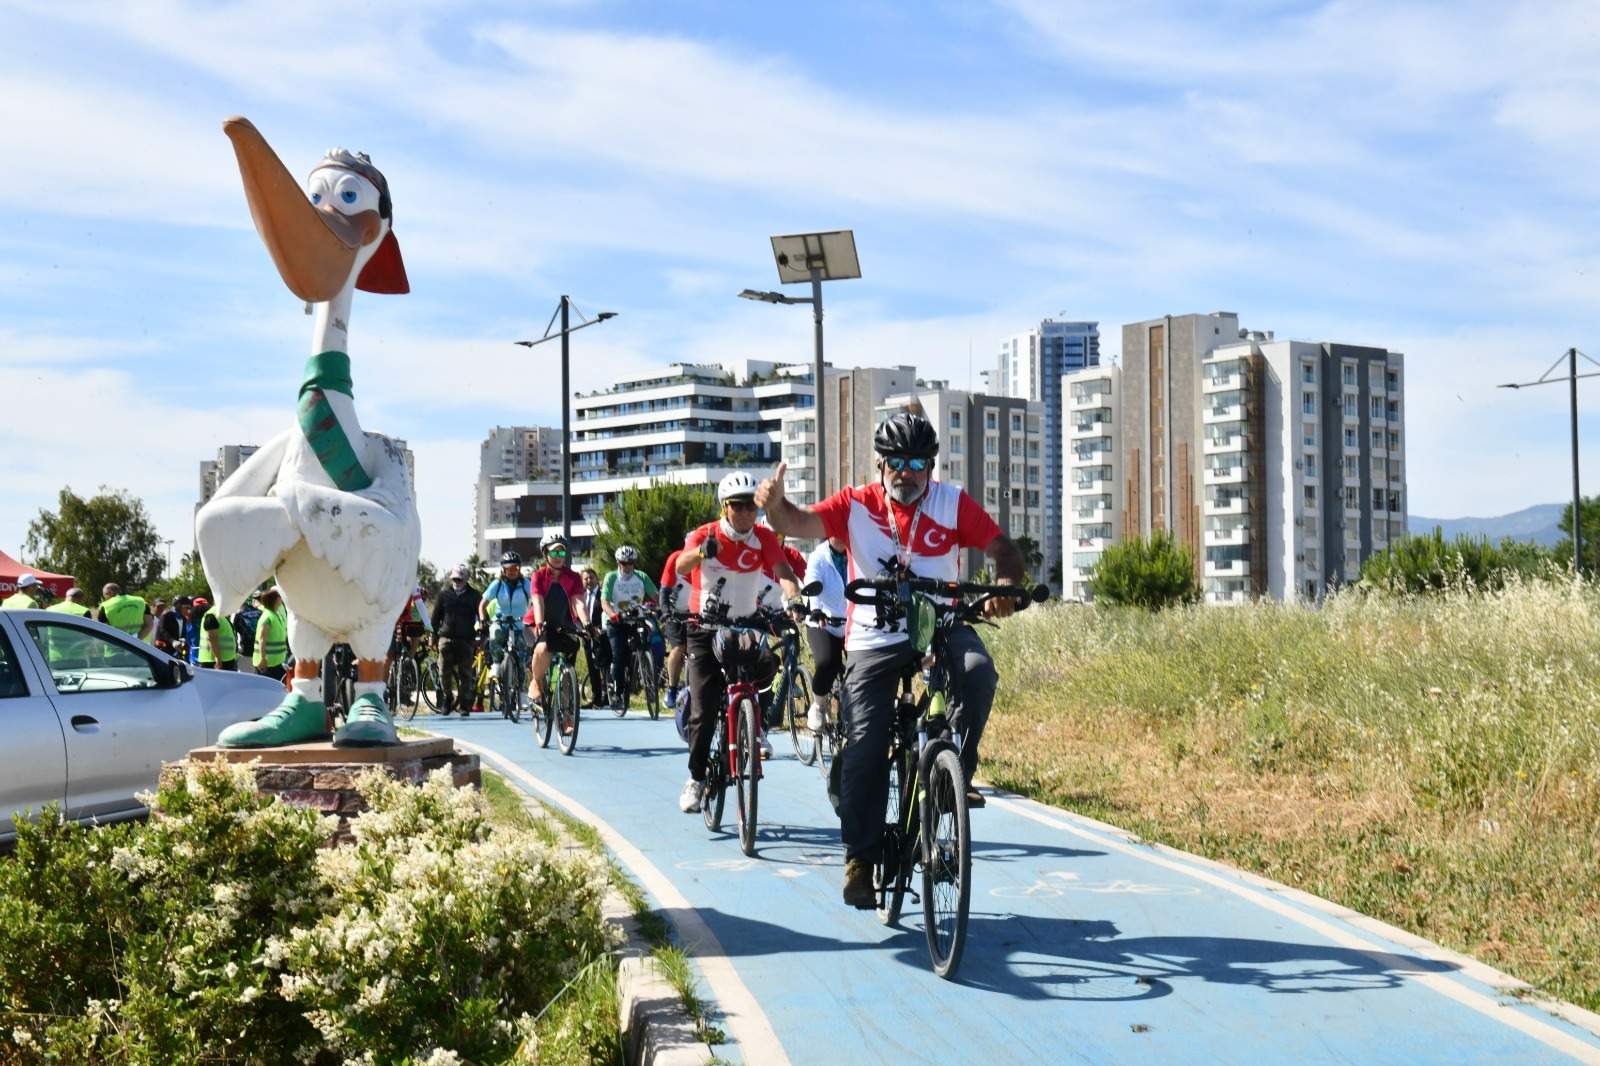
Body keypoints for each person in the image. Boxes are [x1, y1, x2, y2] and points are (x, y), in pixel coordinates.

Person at [754, 412, 1024, 908]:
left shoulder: (951, 503)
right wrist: (774, 507)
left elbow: (1003, 548)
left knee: (978, 673)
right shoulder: (855, 503)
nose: (907, 472)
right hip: (874, 636)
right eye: (897, 462)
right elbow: (796, 522)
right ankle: (860, 856)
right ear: (880, 464)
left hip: (940, 625)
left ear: (931, 467)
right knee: (865, 744)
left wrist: (1005, 584)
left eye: (918, 463)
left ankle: (952, 775)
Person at [674, 471, 803, 814]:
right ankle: (696, 778)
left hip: (745, 625)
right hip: (704, 628)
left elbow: (784, 572)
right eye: (738, 505)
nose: (745, 512)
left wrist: (794, 599)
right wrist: (701, 552)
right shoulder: (707, 533)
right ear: (725, 507)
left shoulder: (763, 536)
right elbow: (680, 566)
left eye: (751, 505)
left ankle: (754, 725)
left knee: (767, 669)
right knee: (703, 708)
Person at [523, 533, 590, 725]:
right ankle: (536, 682)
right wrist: (540, 623)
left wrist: (587, 623)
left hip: (563, 625)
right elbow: (538, 602)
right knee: (543, 648)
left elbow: (578, 603)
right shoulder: (538, 576)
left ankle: (567, 717)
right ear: (546, 554)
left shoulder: (573, 577)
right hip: (536, 624)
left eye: (562, 552)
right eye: (554, 552)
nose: (559, 556)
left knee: (567, 672)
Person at [601, 545, 658, 711]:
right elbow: (605, 601)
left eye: (631, 563)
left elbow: (656, 596)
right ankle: (617, 693)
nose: (628, 567)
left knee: (646, 645)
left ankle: (646, 679)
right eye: (624, 563)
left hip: (636, 620)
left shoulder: (641, 576)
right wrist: (612, 613)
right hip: (617, 622)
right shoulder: (611, 577)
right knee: (619, 656)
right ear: (618, 563)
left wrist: (663, 608)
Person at [802, 535, 849, 731]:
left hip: (851, 621)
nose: (841, 535)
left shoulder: (858, 553)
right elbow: (812, 582)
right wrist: (816, 610)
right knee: (828, 662)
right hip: (823, 622)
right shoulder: (819, 556)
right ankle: (819, 705)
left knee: (864, 664)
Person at [431, 563, 481, 716]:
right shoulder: (444, 594)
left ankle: (465, 704)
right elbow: (436, 617)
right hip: (446, 637)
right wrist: (433, 635)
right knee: (443, 671)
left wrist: (482, 636)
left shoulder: (474, 596)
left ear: (466, 579)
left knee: (466, 673)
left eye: (460, 579)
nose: (457, 582)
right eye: (454, 579)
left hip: (466, 639)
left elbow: (482, 617)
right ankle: (447, 699)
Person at [479, 551, 532, 685]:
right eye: (509, 568)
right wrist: (482, 619)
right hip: (501, 622)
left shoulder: (525, 583)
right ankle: (496, 664)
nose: (512, 571)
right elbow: (483, 604)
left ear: (519, 569)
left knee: (522, 659)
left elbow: (536, 600)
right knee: (495, 634)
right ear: (503, 569)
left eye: (515, 568)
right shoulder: (497, 584)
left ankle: (522, 692)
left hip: (519, 624)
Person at [658, 546, 691, 712]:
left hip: (695, 613)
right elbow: (664, 591)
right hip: (674, 612)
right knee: (679, 647)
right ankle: (671, 690)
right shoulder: (676, 559)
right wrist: (665, 611)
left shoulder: (706, 560)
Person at [579, 567, 609, 708]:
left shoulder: (603, 596)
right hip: (586, 637)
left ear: (596, 579)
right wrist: (582, 630)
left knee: (604, 666)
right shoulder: (582, 597)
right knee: (592, 668)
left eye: (591, 577)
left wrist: (600, 629)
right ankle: (596, 698)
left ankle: (607, 697)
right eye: (586, 578)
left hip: (601, 636)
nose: (589, 580)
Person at [253, 587, 290, 681]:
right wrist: (262, 658)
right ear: (274, 600)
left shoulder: (274, 614)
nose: (281, 598)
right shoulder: (267, 617)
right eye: (279, 596)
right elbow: (262, 639)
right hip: (267, 662)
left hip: (275, 661)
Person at [198, 599, 239, 670]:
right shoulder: (212, 615)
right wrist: (217, 657)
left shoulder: (221, 615)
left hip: (225, 660)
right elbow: (211, 637)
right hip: (214, 661)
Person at [232, 595, 264, 674]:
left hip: (245, 651)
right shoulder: (260, 612)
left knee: (246, 677)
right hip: (261, 650)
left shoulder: (238, 616)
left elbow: (234, 634)